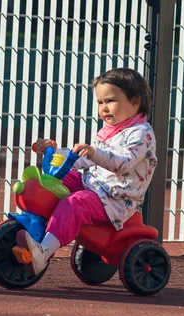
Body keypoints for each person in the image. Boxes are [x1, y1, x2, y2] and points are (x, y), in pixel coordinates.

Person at [16, 67, 158, 275]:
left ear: (135, 102)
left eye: (110, 101)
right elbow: (80, 160)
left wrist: (93, 153)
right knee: (56, 180)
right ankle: (38, 224)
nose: (104, 108)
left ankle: (43, 252)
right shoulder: (109, 131)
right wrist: (55, 152)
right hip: (95, 186)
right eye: (100, 102)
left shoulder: (141, 134)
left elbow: (123, 163)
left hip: (115, 200)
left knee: (75, 203)